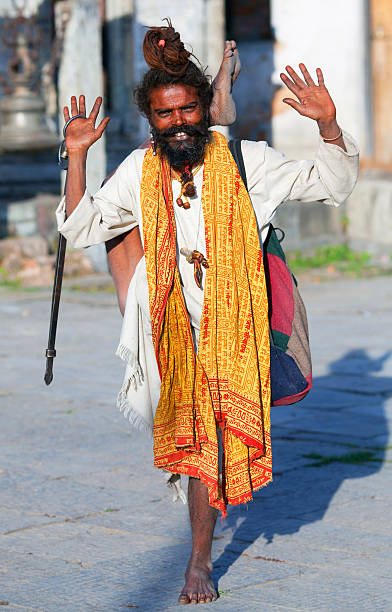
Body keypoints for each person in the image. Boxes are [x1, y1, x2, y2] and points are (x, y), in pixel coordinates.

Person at [56, 22, 359, 605]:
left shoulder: (249, 162)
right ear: (152, 119)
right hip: (168, 327)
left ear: (205, 108)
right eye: (166, 115)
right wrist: (75, 157)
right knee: (195, 441)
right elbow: (81, 225)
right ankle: (199, 534)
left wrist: (326, 125)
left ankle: (198, 560)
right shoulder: (141, 169)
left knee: (209, 442)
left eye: (189, 109)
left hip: (235, 331)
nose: (179, 123)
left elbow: (332, 184)